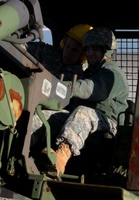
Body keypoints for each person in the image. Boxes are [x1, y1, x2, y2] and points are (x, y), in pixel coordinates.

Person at [31, 27, 129, 175]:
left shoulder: (113, 74)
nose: (90, 54)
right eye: (88, 50)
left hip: (108, 124)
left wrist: (62, 87)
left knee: (82, 112)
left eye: (95, 50)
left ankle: (61, 157)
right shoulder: (89, 72)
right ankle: (24, 149)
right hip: (81, 119)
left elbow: (92, 89)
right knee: (46, 116)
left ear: (107, 51)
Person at [27, 24, 93, 81]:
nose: (68, 52)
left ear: (83, 54)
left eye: (74, 50)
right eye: (67, 46)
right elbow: (25, 47)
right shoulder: (48, 52)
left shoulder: (79, 79)